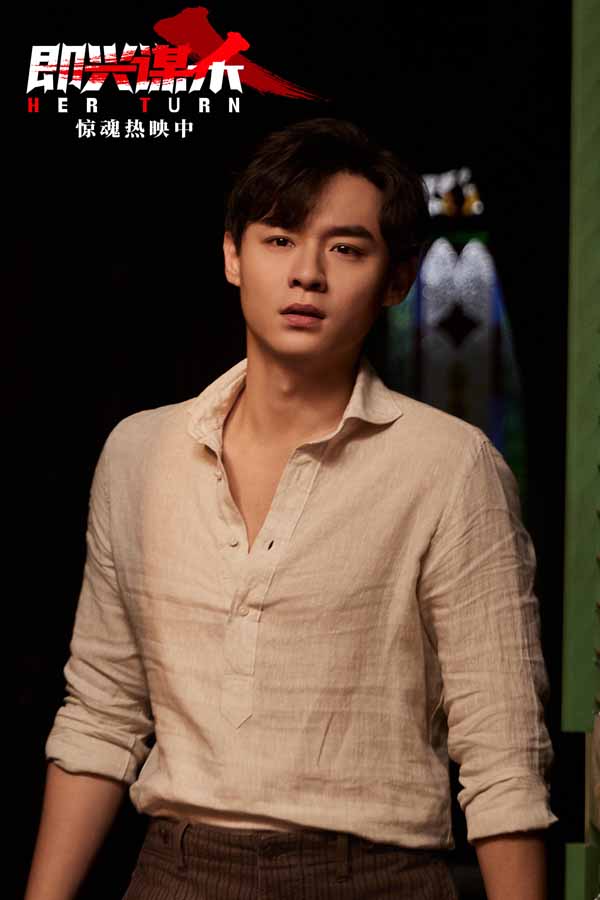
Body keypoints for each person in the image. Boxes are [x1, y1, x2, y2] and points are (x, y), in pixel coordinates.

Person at [25, 117, 558, 900]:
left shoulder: (450, 467)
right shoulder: (139, 453)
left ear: (396, 280)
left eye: (346, 249)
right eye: (279, 239)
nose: (307, 273)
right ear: (233, 256)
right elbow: (101, 715)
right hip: (177, 872)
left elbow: (504, 752)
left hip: (377, 877)